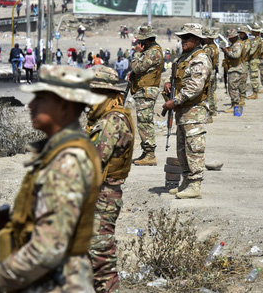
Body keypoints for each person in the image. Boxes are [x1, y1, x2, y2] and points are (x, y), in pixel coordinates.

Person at [0, 65, 105, 293]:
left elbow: (48, 248)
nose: (31, 105)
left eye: (41, 98)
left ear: (65, 104)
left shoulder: (68, 160)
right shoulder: (58, 152)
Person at [86, 66, 135, 293]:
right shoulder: (108, 117)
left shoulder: (110, 121)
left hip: (103, 195)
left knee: (100, 254)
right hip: (101, 193)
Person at [162, 23, 212, 199]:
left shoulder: (200, 59)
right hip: (184, 112)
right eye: (181, 38)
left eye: (187, 38)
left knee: (194, 148)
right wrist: (169, 85)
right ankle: (186, 181)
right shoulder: (185, 58)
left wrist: (174, 101)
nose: (182, 41)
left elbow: (194, 88)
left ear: (197, 40)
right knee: (182, 149)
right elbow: (179, 79)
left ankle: (195, 184)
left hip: (194, 111)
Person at [129, 26, 164, 166]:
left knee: (145, 122)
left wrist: (137, 54)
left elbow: (137, 68)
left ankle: (150, 154)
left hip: (146, 91)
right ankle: (146, 151)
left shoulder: (153, 52)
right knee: (143, 122)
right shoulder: (150, 51)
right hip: (144, 90)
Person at [221, 29, 244, 110]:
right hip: (234, 68)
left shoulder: (237, 44)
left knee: (233, 88)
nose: (229, 39)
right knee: (234, 87)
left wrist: (227, 51)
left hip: (235, 69)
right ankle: (235, 105)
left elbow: (236, 55)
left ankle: (235, 105)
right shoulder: (235, 44)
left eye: (230, 37)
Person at [202, 28, 220, 120]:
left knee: (207, 94)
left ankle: (209, 115)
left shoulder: (208, 49)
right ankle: (213, 111)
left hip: (209, 73)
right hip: (213, 72)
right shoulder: (215, 46)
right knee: (211, 93)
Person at [247, 23, 263, 99]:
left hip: (254, 60)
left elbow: (252, 51)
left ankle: (255, 93)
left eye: (253, 31)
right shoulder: (257, 40)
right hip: (254, 60)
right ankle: (255, 92)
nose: (252, 32)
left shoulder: (256, 41)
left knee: (254, 76)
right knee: (253, 76)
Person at [237, 26, 251, 103]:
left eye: (242, 33)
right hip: (239, 63)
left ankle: (242, 98)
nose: (240, 35)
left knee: (242, 81)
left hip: (244, 63)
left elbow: (244, 51)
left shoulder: (247, 42)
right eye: (240, 33)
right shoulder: (240, 42)